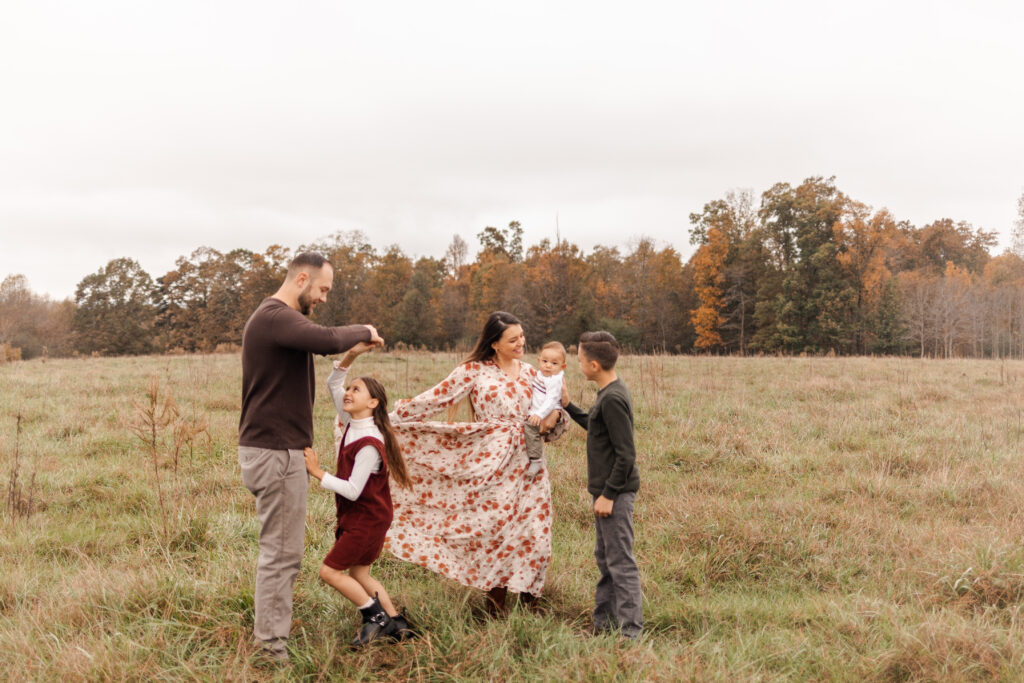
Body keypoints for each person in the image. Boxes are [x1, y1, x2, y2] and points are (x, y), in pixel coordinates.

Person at [237, 252, 383, 663]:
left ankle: (270, 639)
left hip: (272, 451)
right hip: (276, 454)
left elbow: (325, 344)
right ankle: (270, 650)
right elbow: (324, 339)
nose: (322, 298)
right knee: (282, 556)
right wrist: (366, 330)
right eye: (322, 289)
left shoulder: (279, 324)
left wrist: (352, 348)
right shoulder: (274, 317)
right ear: (302, 278)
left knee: (280, 552)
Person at [386, 311, 567, 614]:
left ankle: (531, 602)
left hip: (531, 463)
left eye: (522, 336)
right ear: (494, 343)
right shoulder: (473, 371)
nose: (521, 343)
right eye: (513, 339)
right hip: (492, 463)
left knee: (535, 531)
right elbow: (435, 398)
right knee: (498, 531)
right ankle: (494, 604)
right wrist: (389, 420)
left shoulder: (533, 373)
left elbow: (557, 409)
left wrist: (555, 416)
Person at [303, 343, 416, 647]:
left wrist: (318, 472)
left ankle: (374, 617)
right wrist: (352, 355)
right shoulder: (354, 421)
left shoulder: (369, 442)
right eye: (350, 388)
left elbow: (353, 489)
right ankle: (399, 625)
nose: (348, 393)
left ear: (374, 402)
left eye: (357, 390)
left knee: (329, 571)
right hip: (366, 517)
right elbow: (332, 383)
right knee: (360, 573)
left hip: (367, 519)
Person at [562, 330, 642, 639]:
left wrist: (608, 495)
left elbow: (627, 455)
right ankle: (604, 625)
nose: (578, 364)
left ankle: (629, 634)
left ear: (593, 365)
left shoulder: (613, 399)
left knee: (620, 562)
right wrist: (569, 405)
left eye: (580, 360)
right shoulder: (607, 392)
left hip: (616, 493)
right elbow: (596, 427)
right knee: (605, 559)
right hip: (606, 492)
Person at [524, 341, 567, 478]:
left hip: (546, 413)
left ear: (562, 366)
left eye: (554, 363)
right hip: (538, 411)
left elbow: (551, 400)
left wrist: (539, 414)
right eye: (545, 361)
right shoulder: (540, 374)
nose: (548, 365)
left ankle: (536, 459)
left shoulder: (554, 380)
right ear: (539, 360)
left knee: (530, 429)